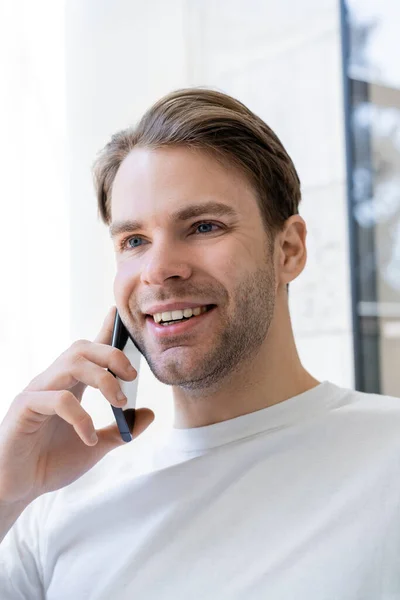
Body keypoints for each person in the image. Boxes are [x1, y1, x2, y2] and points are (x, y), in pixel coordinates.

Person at [0, 88, 399, 600]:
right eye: (134, 241)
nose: (159, 269)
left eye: (203, 226)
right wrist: (8, 494)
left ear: (289, 250)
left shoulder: (388, 458)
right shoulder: (53, 503)